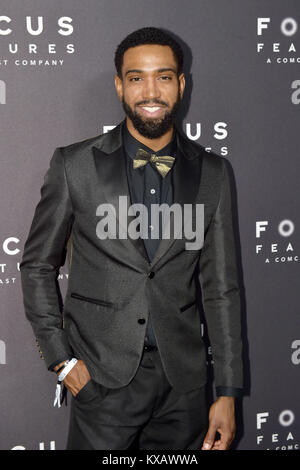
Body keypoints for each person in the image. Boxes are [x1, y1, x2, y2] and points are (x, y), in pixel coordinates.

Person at [20, 27, 244, 450]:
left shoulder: (213, 173)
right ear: (120, 85)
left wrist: (228, 391)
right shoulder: (75, 165)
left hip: (185, 387)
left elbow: (221, 290)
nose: (150, 90)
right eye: (137, 77)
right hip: (101, 383)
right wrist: (63, 363)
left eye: (163, 76)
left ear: (181, 84)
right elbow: (36, 266)